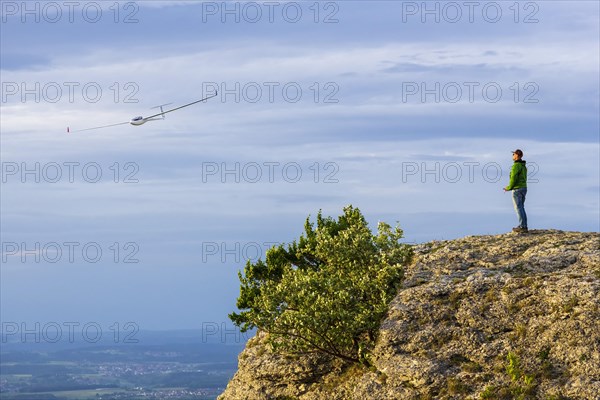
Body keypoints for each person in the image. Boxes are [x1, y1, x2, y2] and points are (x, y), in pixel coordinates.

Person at [504, 149, 528, 233]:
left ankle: (522, 226)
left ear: (517, 155)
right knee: (521, 207)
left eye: (513, 154)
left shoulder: (516, 166)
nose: (512, 156)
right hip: (524, 188)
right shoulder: (523, 166)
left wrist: (509, 187)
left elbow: (513, 178)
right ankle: (523, 225)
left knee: (518, 208)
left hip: (517, 189)